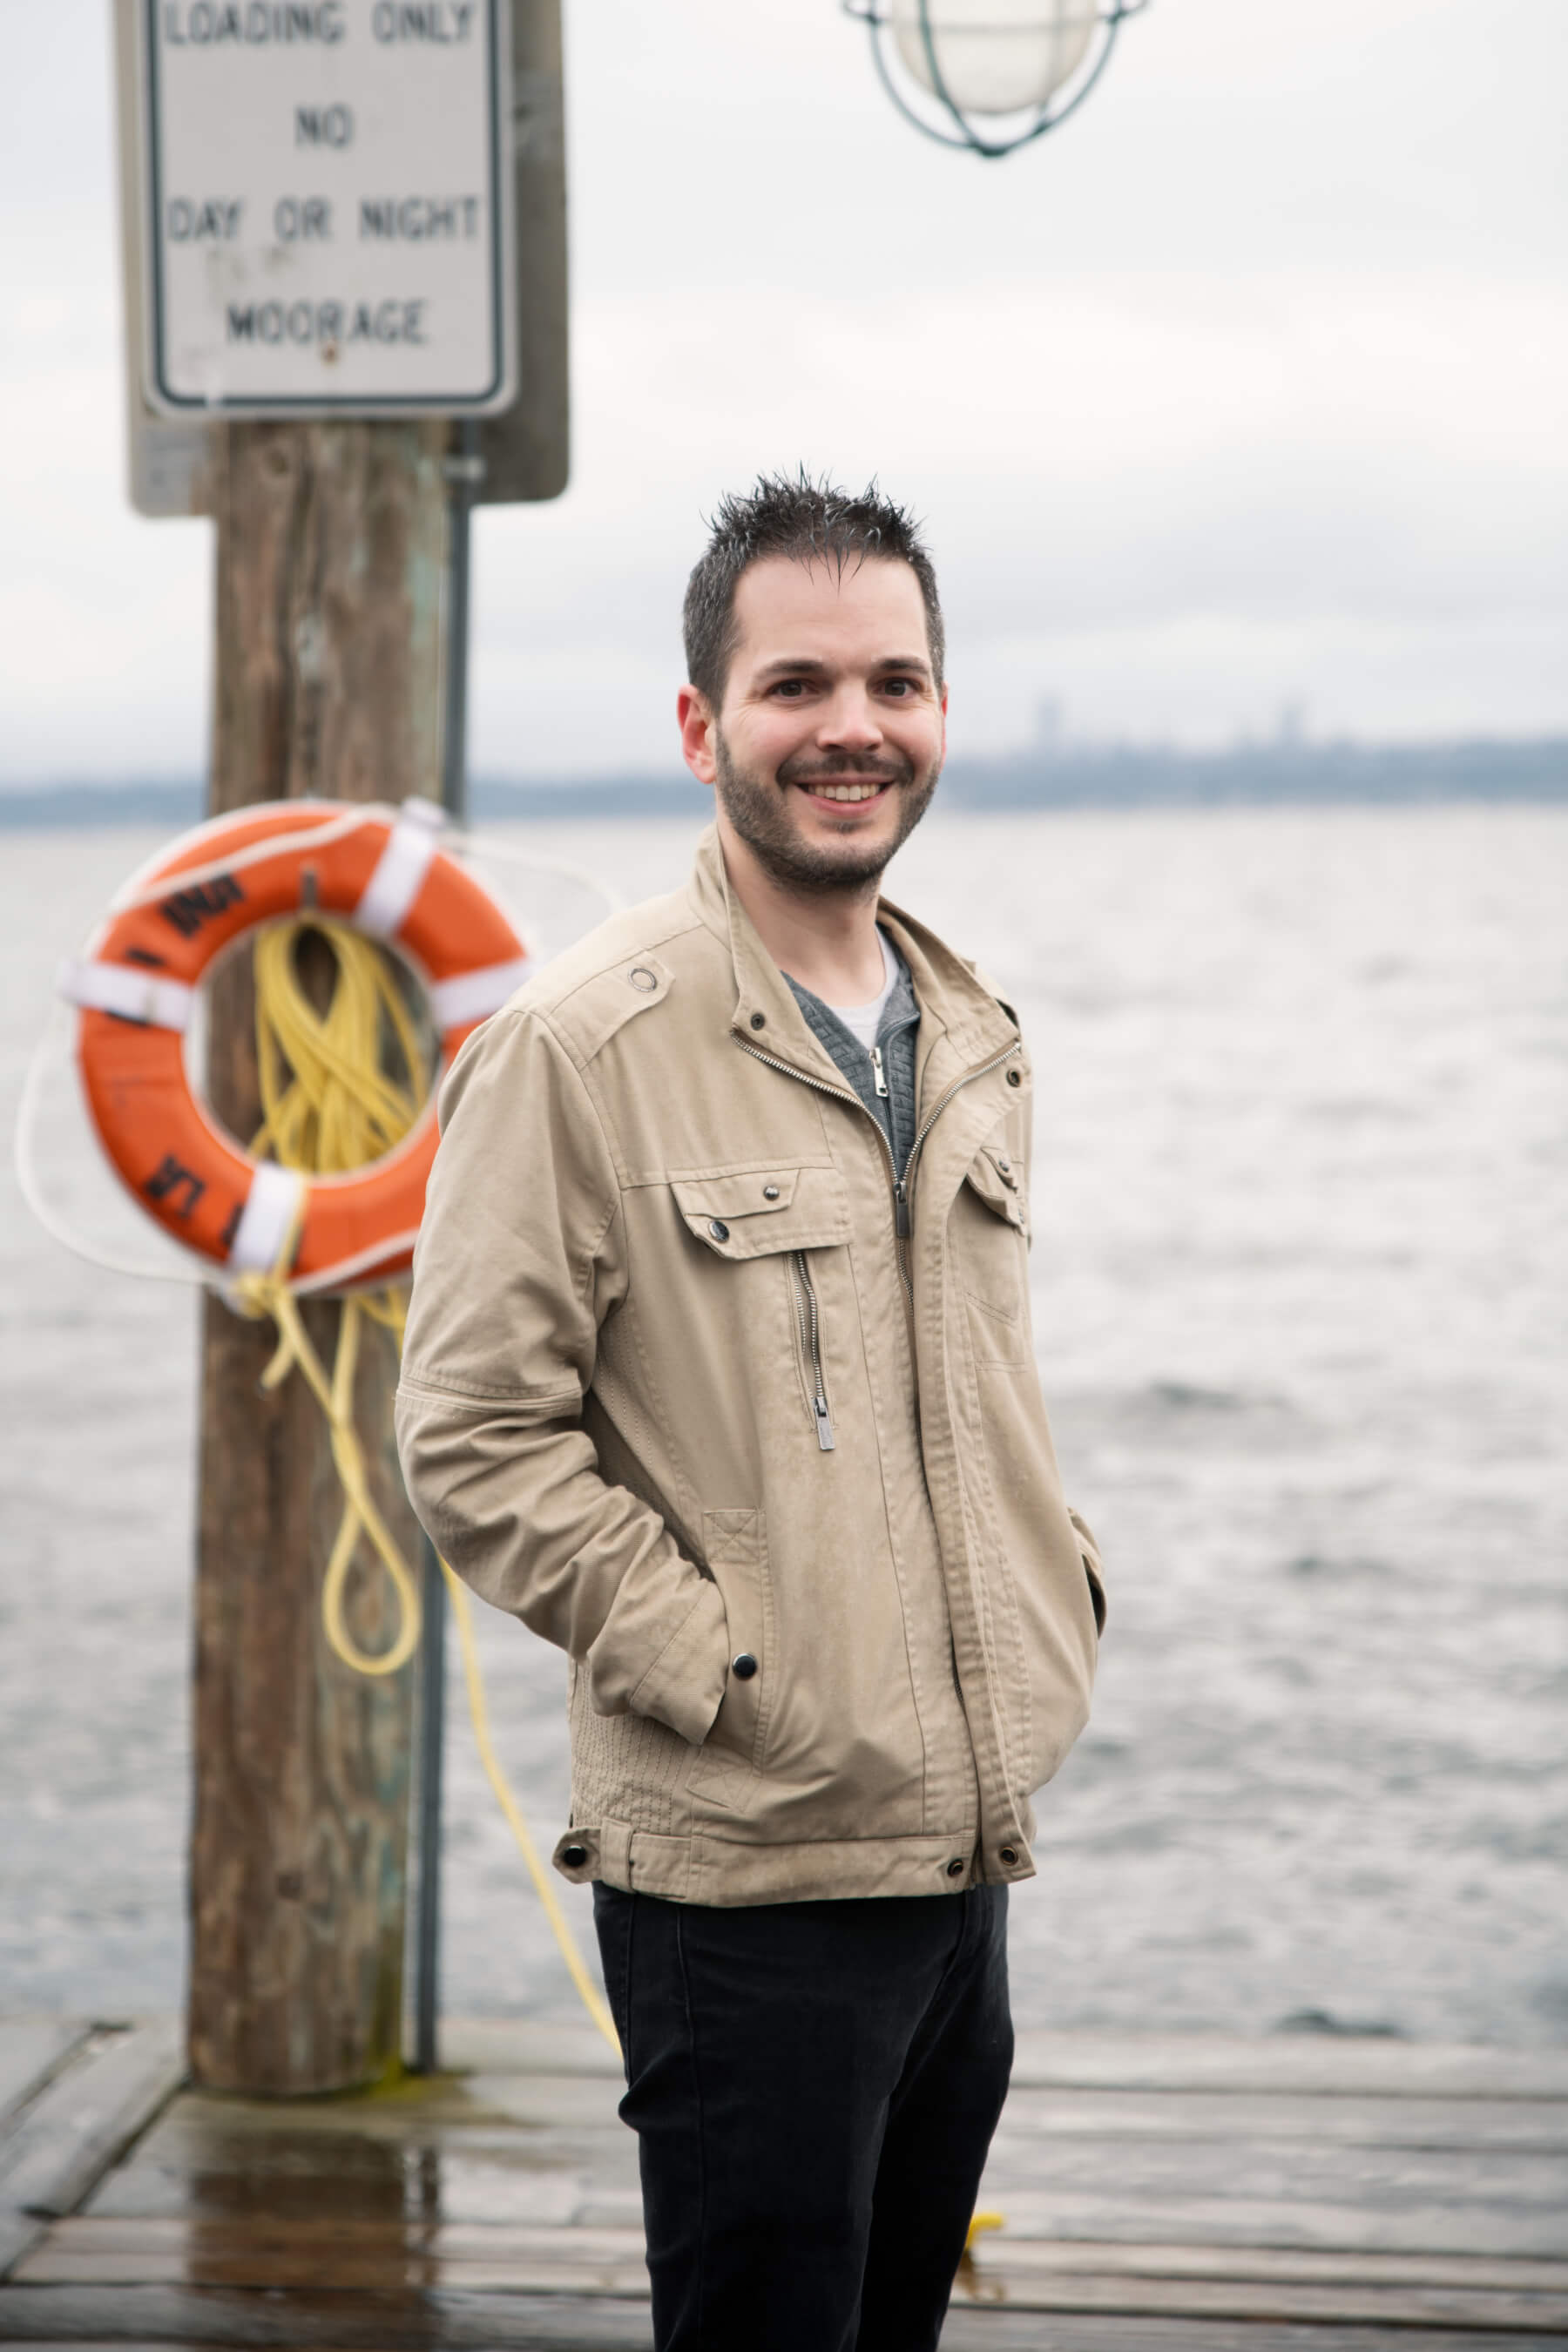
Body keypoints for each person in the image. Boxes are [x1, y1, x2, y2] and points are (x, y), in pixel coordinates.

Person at [395, 474, 1105, 2351]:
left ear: (944, 711)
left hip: (964, 1855)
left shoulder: (970, 1031)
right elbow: (471, 1434)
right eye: (798, 684)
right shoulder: (578, 1048)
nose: (853, 726)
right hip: (746, 1872)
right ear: (706, 727)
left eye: (897, 679)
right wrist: (725, 1662)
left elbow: (975, 1394)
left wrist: (1059, 1599)